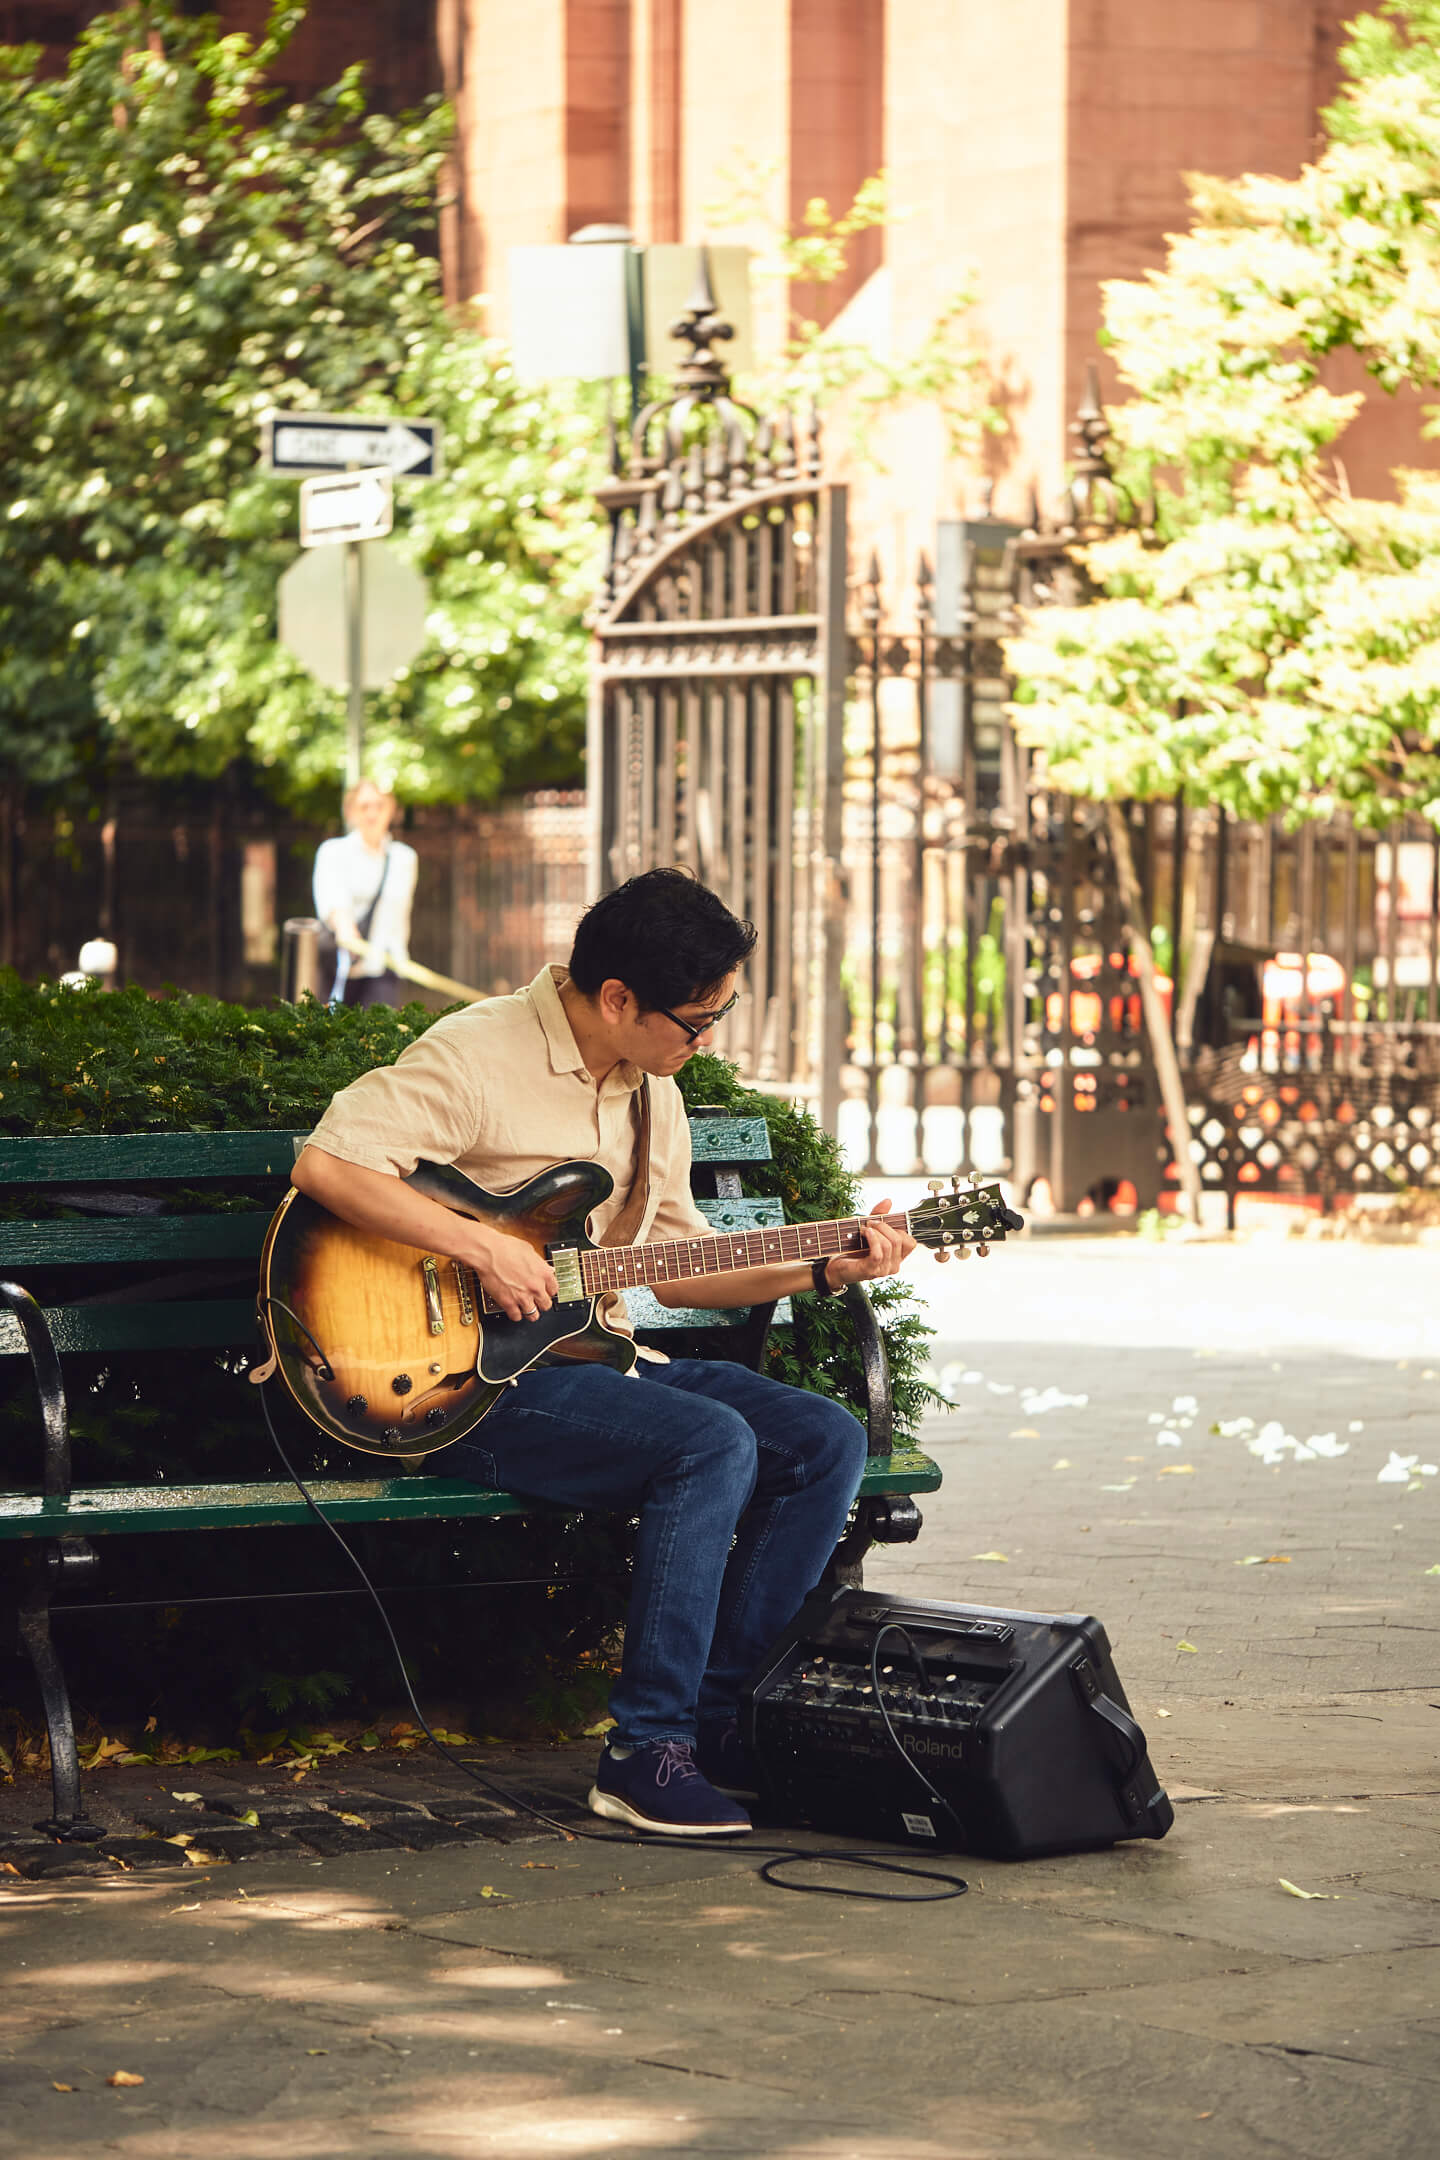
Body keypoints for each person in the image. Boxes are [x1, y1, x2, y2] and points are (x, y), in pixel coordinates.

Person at [290, 869, 916, 1837]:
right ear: (618, 998)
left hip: (595, 1366)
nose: (707, 1041)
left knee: (822, 1439)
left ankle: (716, 1725)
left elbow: (675, 1271)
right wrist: (484, 1244)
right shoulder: (478, 1050)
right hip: (450, 1383)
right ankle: (644, 1749)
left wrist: (825, 1269)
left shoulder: (647, 1091)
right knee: (708, 1444)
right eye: (696, 1020)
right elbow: (326, 1166)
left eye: (720, 1014)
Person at [312, 779, 419, 1007]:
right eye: (364, 806)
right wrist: (346, 931)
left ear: (391, 810)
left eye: (379, 806)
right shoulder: (333, 852)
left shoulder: (405, 859)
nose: (372, 813)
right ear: (350, 811)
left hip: (385, 969)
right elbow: (332, 901)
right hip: (341, 968)